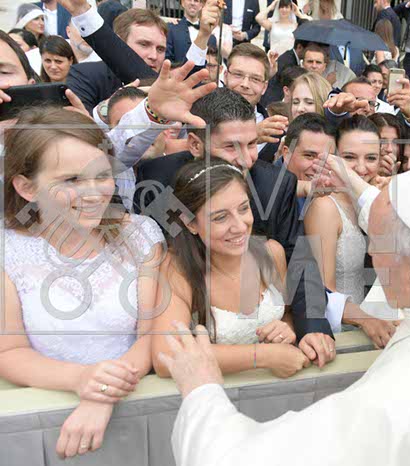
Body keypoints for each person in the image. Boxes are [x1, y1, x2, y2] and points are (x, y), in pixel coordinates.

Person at [164, 166, 410, 466]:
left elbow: (232, 458)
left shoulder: (396, 400)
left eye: (374, 244)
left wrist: (202, 388)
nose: (370, 255)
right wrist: (352, 182)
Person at [0, 108, 164, 460]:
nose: (93, 193)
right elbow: (9, 352)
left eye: (102, 175)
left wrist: (103, 393)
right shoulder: (7, 251)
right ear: (26, 187)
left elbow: (152, 336)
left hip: (138, 410)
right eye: (72, 180)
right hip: (46, 419)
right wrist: (81, 379)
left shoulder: (141, 235)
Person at [135, 88, 338, 367]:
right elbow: (169, 258)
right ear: (195, 145)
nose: (246, 159)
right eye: (230, 147)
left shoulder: (275, 184)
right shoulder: (159, 182)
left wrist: (310, 327)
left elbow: (300, 260)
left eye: (252, 144)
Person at [152, 157, 311, 379]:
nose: (239, 226)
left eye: (244, 208)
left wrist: (287, 329)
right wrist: (261, 356)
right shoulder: (178, 270)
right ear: (190, 223)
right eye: (220, 217)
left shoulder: (272, 252)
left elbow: (287, 314)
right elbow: (166, 355)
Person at [65, 0, 215, 113]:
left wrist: (203, 35)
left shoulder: (163, 83)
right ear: (118, 44)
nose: (154, 56)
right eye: (144, 44)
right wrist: (105, 113)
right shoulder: (85, 76)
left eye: (161, 49)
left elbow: (191, 82)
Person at [304, 116, 379, 306]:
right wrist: (369, 320)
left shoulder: (376, 200)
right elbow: (324, 293)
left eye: (371, 158)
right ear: (334, 157)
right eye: (349, 157)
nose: (361, 168)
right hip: (343, 321)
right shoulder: (325, 207)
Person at [166, 0, 218, 64]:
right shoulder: (171, 29)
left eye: (196, 1)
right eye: (189, 0)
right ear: (182, 3)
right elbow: (167, 60)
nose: (192, 3)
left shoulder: (211, 38)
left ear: (201, 5)